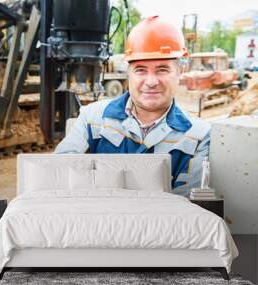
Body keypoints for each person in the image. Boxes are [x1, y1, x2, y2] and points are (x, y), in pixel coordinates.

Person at [54, 16, 211, 197]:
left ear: (180, 71)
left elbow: (188, 207)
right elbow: (60, 176)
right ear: (128, 73)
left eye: (162, 70)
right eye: (141, 70)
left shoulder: (198, 136)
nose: (151, 82)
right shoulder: (92, 119)